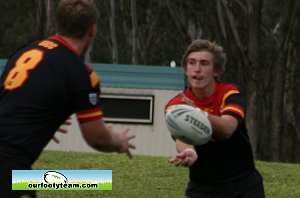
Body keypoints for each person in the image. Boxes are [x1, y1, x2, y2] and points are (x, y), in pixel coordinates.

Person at [0, 0, 135, 197]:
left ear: (58, 24)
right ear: (92, 30)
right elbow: (96, 138)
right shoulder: (81, 74)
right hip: (8, 167)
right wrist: (118, 142)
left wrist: (41, 119)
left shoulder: (26, 51)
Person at [165, 39, 265, 198]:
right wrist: (189, 152)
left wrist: (198, 113)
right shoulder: (176, 106)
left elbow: (227, 129)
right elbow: (182, 137)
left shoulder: (230, 93)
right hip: (203, 187)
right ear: (185, 69)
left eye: (204, 63)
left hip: (244, 184)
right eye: (192, 63)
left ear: (216, 70)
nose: (197, 69)